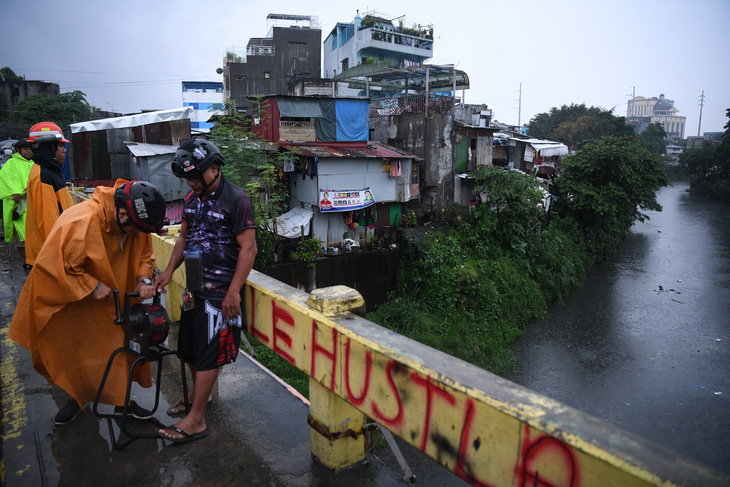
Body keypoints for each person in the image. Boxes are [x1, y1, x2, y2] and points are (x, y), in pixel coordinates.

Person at [8, 180, 167, 425]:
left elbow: (144, 252)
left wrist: (143, 279)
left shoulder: (133, 221)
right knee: (77, 351)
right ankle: (76, 397)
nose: (137, 233)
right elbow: (53, 267)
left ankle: (121, 403)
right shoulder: (79, 222)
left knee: (123, 348)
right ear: (122, 213)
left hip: (117, 300)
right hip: (77, 303)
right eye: (135, 229)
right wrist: (90, 285)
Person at [154, 138, 256, 443]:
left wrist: (234, 292)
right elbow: (183, 239)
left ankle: (196, 419)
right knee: (190, 349)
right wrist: (170, 271)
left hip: (221, 293)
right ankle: (202, 399)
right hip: (195, 288)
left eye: (196, 177)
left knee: (210, 353)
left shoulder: (237, 200)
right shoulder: (191, 199)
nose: (192, 183)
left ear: (214, 168)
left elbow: (248, 248)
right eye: (189, 178)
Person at [24, 122, 75, 267]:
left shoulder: (49, 171)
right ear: (48, 147)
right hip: (51, 257)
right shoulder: (43, 176)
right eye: (59, 146)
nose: (64, 150)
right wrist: (61, 258)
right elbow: (49, 223)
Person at [0, 139, 34, 264]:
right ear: (19, 150)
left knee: (32, 234)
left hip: (32, 204)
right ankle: (28, 261)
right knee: (23, 235)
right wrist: (18, 192)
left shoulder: (33, 163)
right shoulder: (11, 163)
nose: (29, 151)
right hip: (19, 206)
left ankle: (32, 261)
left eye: (30, 148)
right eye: (25, 148)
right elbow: (6, 180)